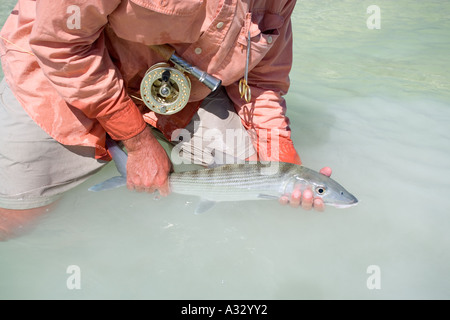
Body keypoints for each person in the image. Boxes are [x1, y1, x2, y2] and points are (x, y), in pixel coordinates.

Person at [0, 0, 332, 240]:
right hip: (59, 75)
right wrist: (139, 142)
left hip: (181, 93)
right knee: (18, 217)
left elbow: (263, 82)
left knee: (253, 161)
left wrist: (282, 155)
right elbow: (61, 45)